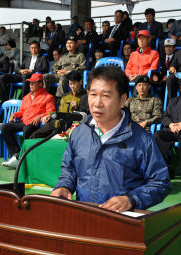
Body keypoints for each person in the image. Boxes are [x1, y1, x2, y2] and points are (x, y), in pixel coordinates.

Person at [51, 66, 172, 211]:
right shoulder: (80, 133)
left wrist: (132, 199)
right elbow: (69, 169)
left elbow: (160, 183)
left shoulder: (142, 140)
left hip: (120, 223)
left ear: (122, 100)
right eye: (93, 94)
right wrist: (64, 186)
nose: (97, 103)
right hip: (84, 218)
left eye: (106, 96)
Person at [1, 73, 56, 167]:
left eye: (33, 83)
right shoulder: (26, 97)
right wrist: (15, 114)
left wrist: (39, 117)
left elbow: (51, 112)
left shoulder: (48, 97)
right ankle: (17, 155)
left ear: (40, 84)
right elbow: (22, 111)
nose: (30, 85)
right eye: (30, 83)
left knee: (27, 129)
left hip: (35, 123)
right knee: (5, 127)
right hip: (24, 121)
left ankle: (25, 157)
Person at [30, 71, 86, 139]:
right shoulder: (65, 96)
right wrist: (49, 115)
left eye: (74, 84)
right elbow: (57, 110)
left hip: (70, 126)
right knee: (35, 135)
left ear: (80, 82)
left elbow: (85, 116)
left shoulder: (85, 97)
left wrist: (77, 106)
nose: (72, 86)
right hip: (56, 122)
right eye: (70, 84)